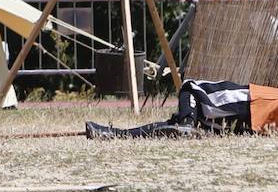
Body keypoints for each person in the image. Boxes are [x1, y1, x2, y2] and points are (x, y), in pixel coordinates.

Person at [85, 78, 278, 139]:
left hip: (257, 102)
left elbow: (193, 88)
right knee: (172, 126)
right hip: (256, 118)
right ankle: (112, 134)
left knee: (191, 87)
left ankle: (186, 123)